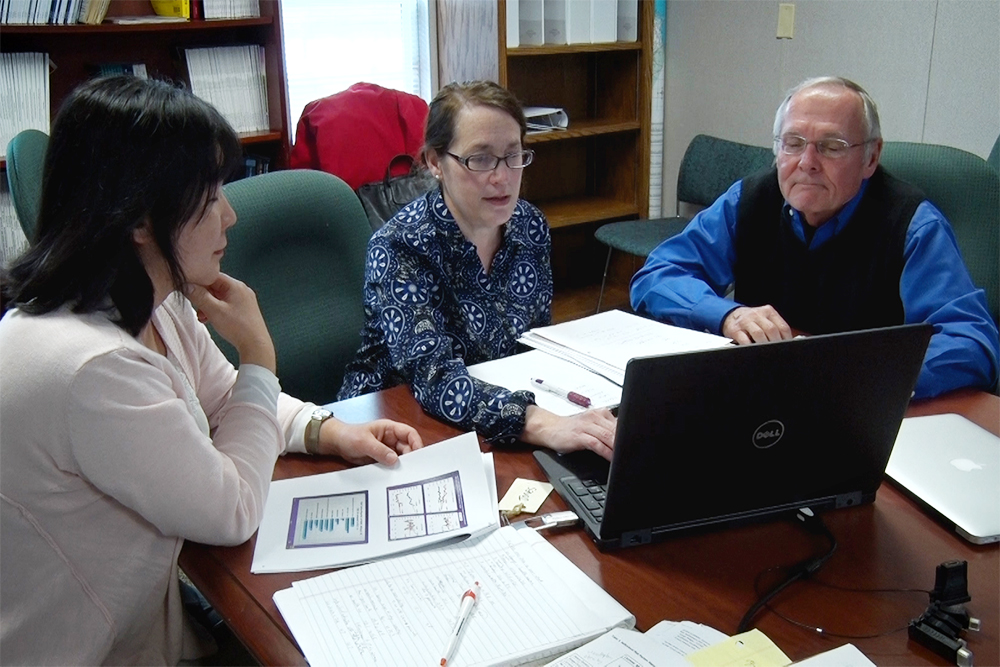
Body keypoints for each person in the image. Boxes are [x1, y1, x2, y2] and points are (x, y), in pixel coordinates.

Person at [0, 76, 422, 665]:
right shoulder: (90, 368)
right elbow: (232, 508)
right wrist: (258, 353)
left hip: (152, 618)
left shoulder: (151, 299)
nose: (230, 215)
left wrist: (327, 431)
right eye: (209, 194)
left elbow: (227, 402)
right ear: (140, 219)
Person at [631, 76, 999, 398]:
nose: (807, 162)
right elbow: (656, 277)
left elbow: (973, 343)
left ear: (871, 158)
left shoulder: (912, 225)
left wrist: (870, 373)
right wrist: (728, 314)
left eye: (832, 146)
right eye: (793, 143)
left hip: (867, 416)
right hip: (763, 399)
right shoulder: (750, 199)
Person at [338, 81, 616, 459]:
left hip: (493, 417)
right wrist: (543, 423)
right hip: (396, 426)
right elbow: (433, 377)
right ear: (436, 162)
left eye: (513, 155)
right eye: (480, 159)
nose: (502, 177)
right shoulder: (400, 245)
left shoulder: (529, 226)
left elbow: (534, 347)